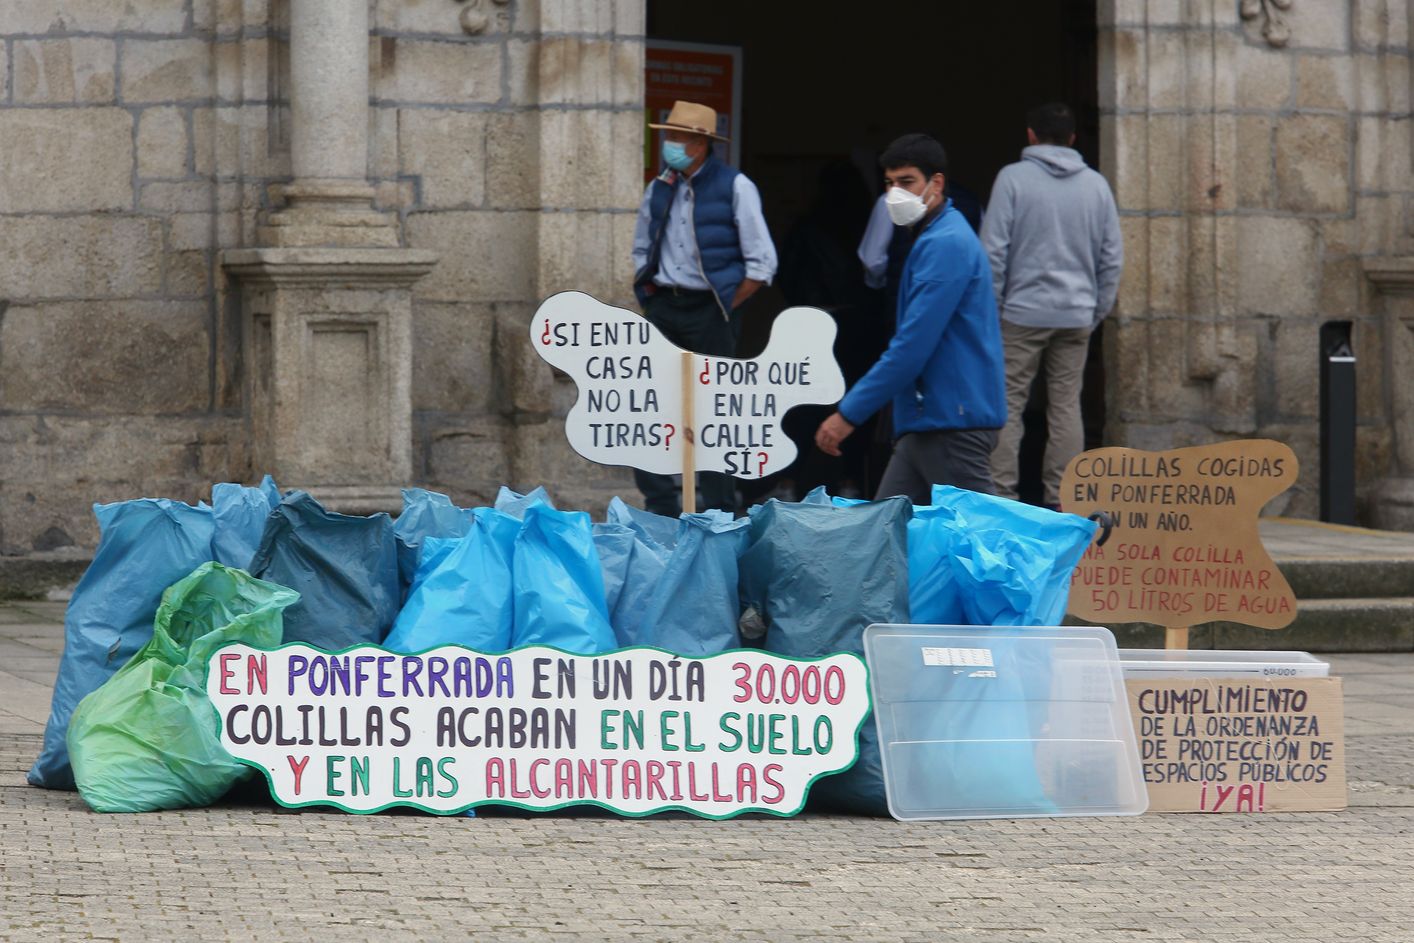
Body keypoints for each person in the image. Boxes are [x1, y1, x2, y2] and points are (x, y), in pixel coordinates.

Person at [814, 133, 1006, 505]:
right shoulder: (936, 237)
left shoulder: (944, 244)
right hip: (931, 419)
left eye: (906, 182)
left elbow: (911, 346)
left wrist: (848, 414)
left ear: (936, 183)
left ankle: (1059, 559)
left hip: (951, 422)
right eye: (888, 183)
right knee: (886, 536)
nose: (894, 193)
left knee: (985, 545)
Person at [631, 99, 778, 516]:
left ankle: (718, 511)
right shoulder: (659, 186)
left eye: (677, 137)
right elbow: (642, 247)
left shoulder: (736, 186)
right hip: (665, 305)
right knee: (649, 407)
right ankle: (660, 506)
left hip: (711, 309)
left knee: (712, 413)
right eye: (668, 136)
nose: (669, 144)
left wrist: (723, 307)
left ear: (699, 143)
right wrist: (648, 294)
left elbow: (762, 262)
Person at [982, 102, 1123, 509]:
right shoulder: (1096, 185)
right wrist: (1095, 311)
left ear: (1030, 135)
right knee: (1066, 406)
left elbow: (992, 252)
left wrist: (996, 311)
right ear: (1073, 138)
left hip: (1021, 313)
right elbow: (1111, 257)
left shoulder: (1012, 179)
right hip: (1076, 313)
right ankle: (1063, 500)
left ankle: (1001, 496)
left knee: (1008, 403)